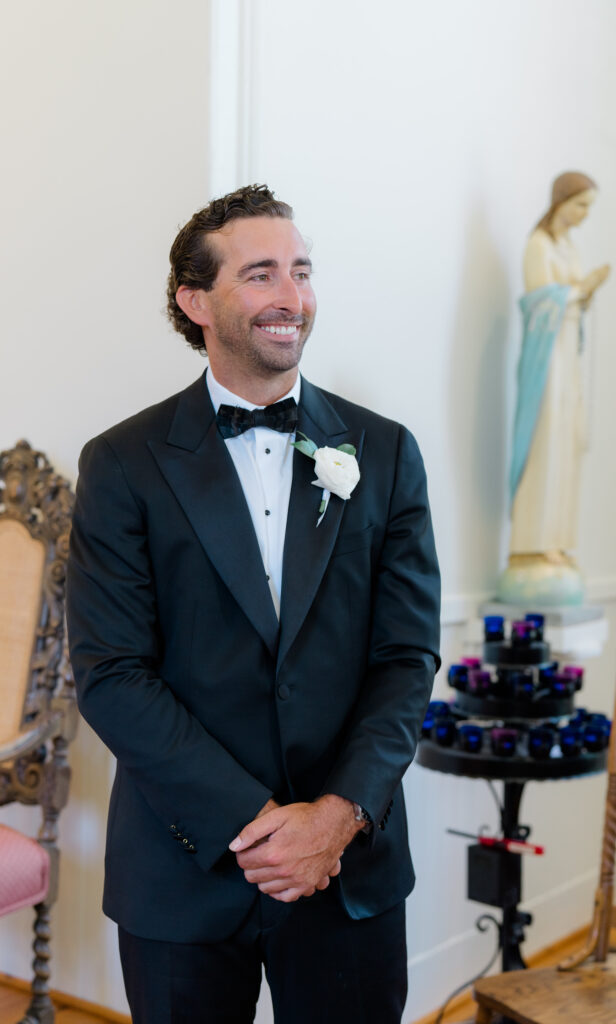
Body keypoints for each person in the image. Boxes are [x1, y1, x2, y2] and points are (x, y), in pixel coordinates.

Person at [66, 184, 441, 1023]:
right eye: (261, 273)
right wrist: (261, 826)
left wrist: (336, 820)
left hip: (348, 866)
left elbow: (405, 658)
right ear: (194, 300)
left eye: (301, 272)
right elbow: (111, 673)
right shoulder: (122, 464)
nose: (290, 298)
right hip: (181, 870)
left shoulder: (382, 452)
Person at [500, 171, 610, 605]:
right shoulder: (539, 245)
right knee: (545, 443)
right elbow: (537, 300)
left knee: (567, 445)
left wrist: (585, 293)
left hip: (569, 354)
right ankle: (533, 540)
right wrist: (581, 288)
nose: (584, 215)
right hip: (546, 358)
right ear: (561, 201)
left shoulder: (569, 247)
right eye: (580, 204)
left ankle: (558, 538)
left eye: (590, 207)